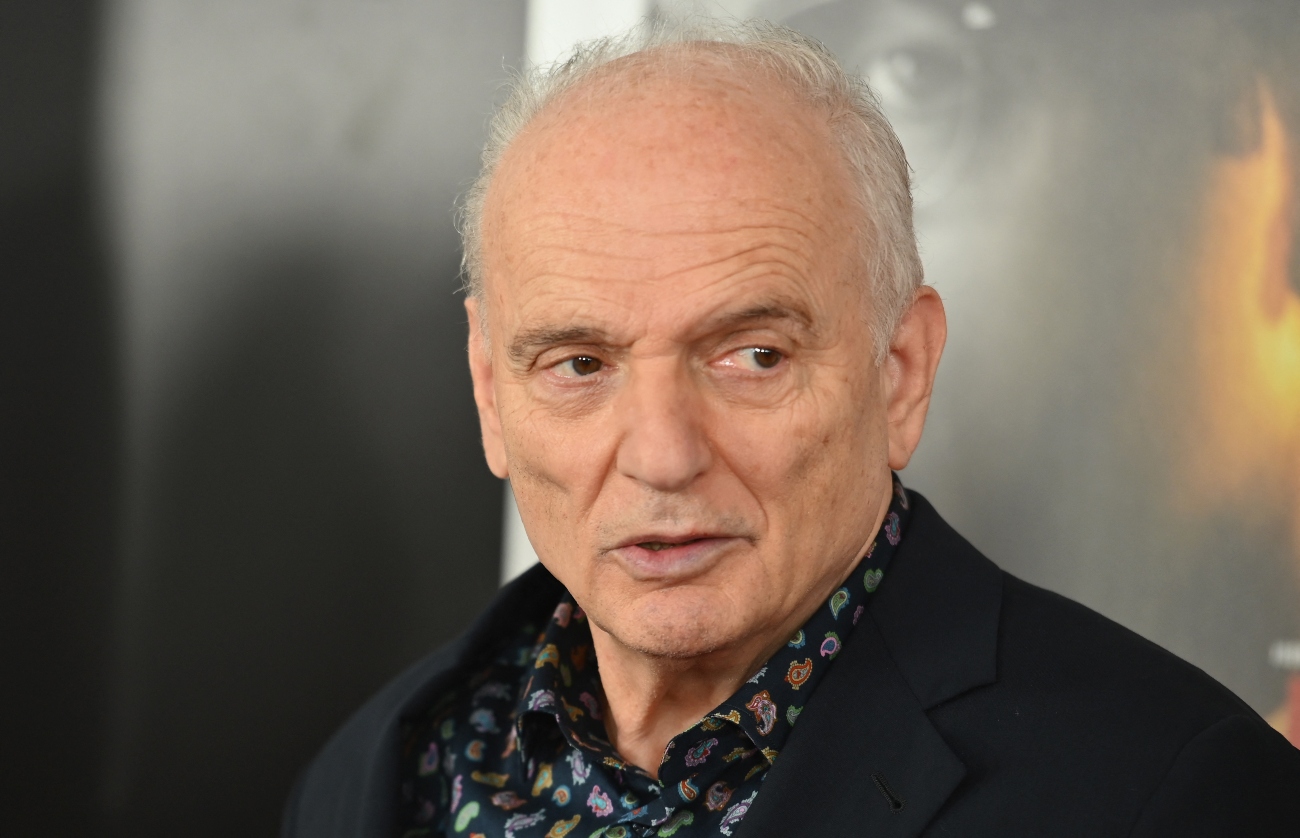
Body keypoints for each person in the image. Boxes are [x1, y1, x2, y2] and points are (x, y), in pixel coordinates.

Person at [282, 18, 1300, 838]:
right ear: (488, 394)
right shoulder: (382, 770)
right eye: (580, 365)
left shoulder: (1169, 795)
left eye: (753, 356)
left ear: (900, 372)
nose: (662, 456)